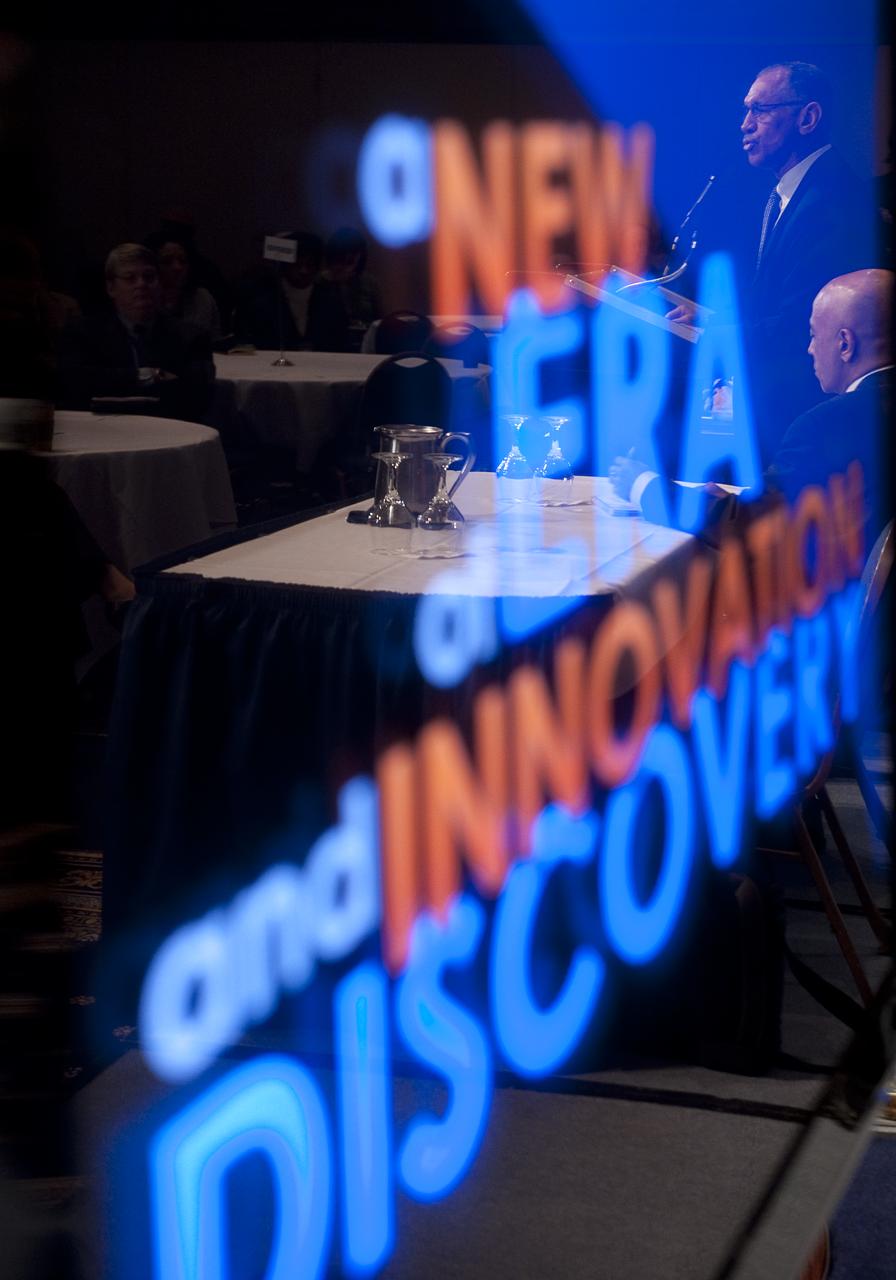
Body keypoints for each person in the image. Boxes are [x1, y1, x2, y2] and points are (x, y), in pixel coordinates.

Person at [668, 62, 884, 465]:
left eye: (760, 111)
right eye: (746, 110)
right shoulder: (793, 193)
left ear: (808, 117)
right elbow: (779, 300)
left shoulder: (832, 201)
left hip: (803, 419)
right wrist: (709, 316)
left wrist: (715, 330)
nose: (745, 125)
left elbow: (801, 323)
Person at [612, 269, 894, 546]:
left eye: (814, 335)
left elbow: (752, 527)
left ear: (845, 344)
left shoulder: (829, 425)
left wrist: (645, 486)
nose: (810, 349)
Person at [57, 243, 214, 422]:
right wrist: (146, 376)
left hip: (169, 432)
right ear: (111, 288)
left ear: (160, 284)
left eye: (149, 277)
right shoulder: (83, 334)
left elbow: (197, 397)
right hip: (102, 430)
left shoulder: (191, 337)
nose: (141, 285)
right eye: (130, 278)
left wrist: (113, 382)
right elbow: (76, 386)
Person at [233, 230, 350, 352]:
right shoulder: (262, 298)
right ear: (285, 265)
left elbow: (340, 341)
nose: (303, 271)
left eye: (310, 265)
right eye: (297, 264)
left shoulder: (330, 300)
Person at [143, 232, 222, 343]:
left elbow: (211, 344)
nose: (177, 267)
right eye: (167, 262)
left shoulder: (201, 299)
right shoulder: (144, 298)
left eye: (182, 261)